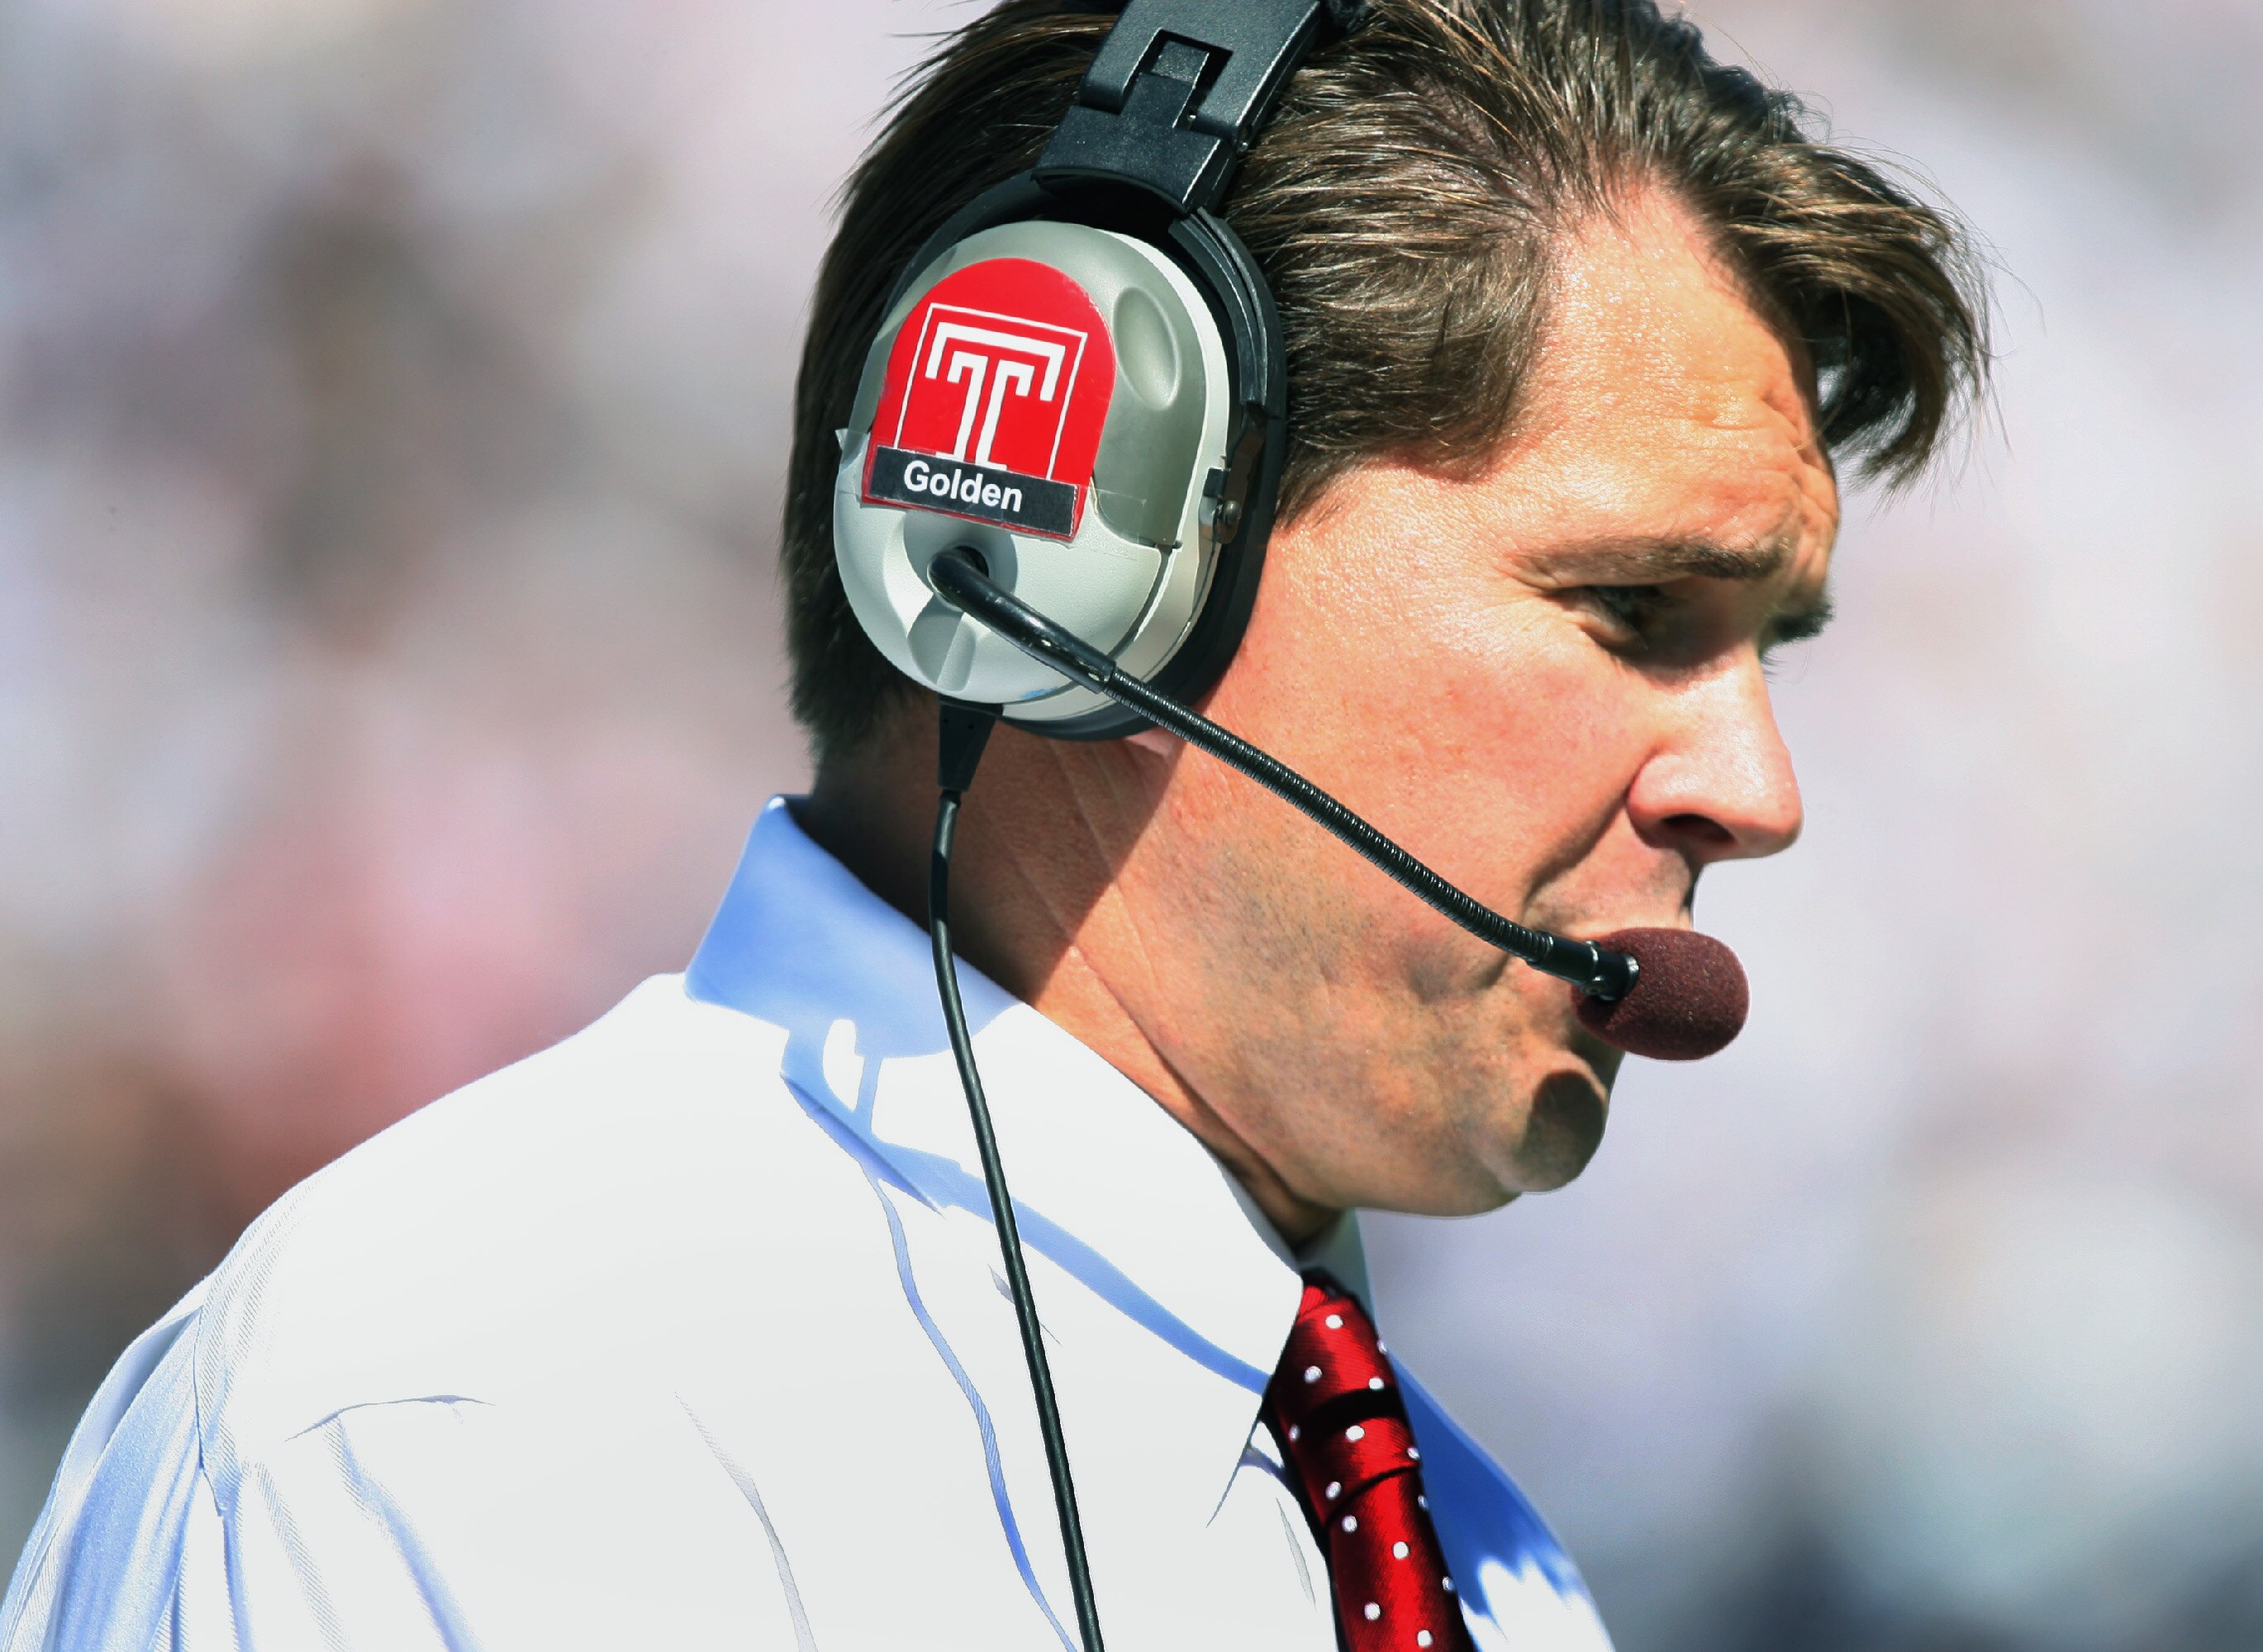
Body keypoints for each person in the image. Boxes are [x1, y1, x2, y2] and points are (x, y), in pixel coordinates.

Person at [2, 2, 1985, 1647]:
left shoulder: (1491, 1567)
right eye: (1635, 610)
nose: (1757, 793)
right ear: (1086, 561)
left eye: (1767, 651)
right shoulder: (465, 1428)